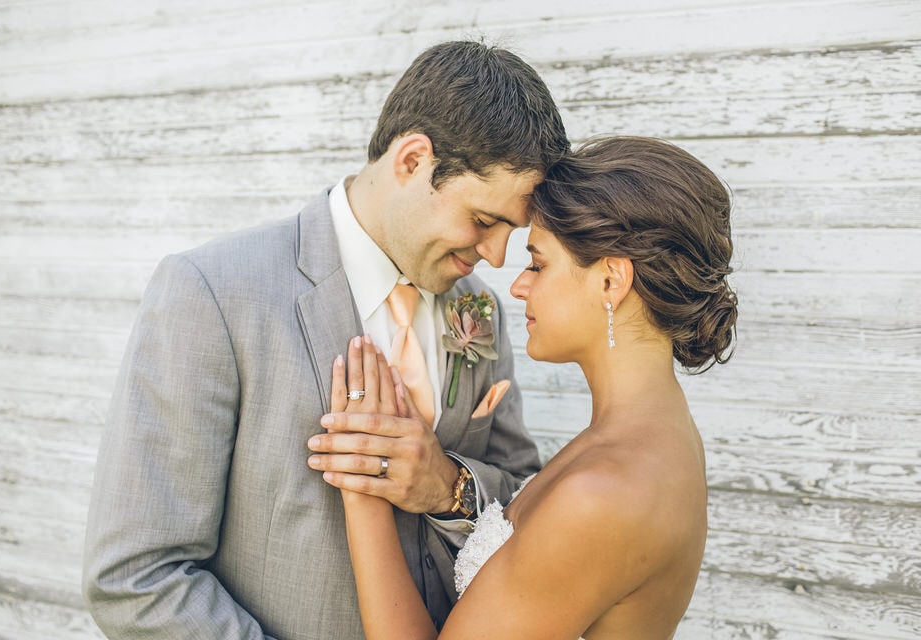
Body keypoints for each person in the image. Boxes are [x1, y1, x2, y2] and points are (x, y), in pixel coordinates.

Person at [82, 41, 570, 639]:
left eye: (511, 232)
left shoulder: (480, 309)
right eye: (484, 221)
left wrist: (449, 485)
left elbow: (525, 499)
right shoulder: (212, 291)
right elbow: (136, 577)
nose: (494, 256)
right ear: (413, 161)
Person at [316, 136, 738, 639]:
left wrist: (363, 489)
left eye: (538, 263)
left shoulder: (602, 493)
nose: (516, 284)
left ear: (610, 282)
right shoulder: (658, 437)